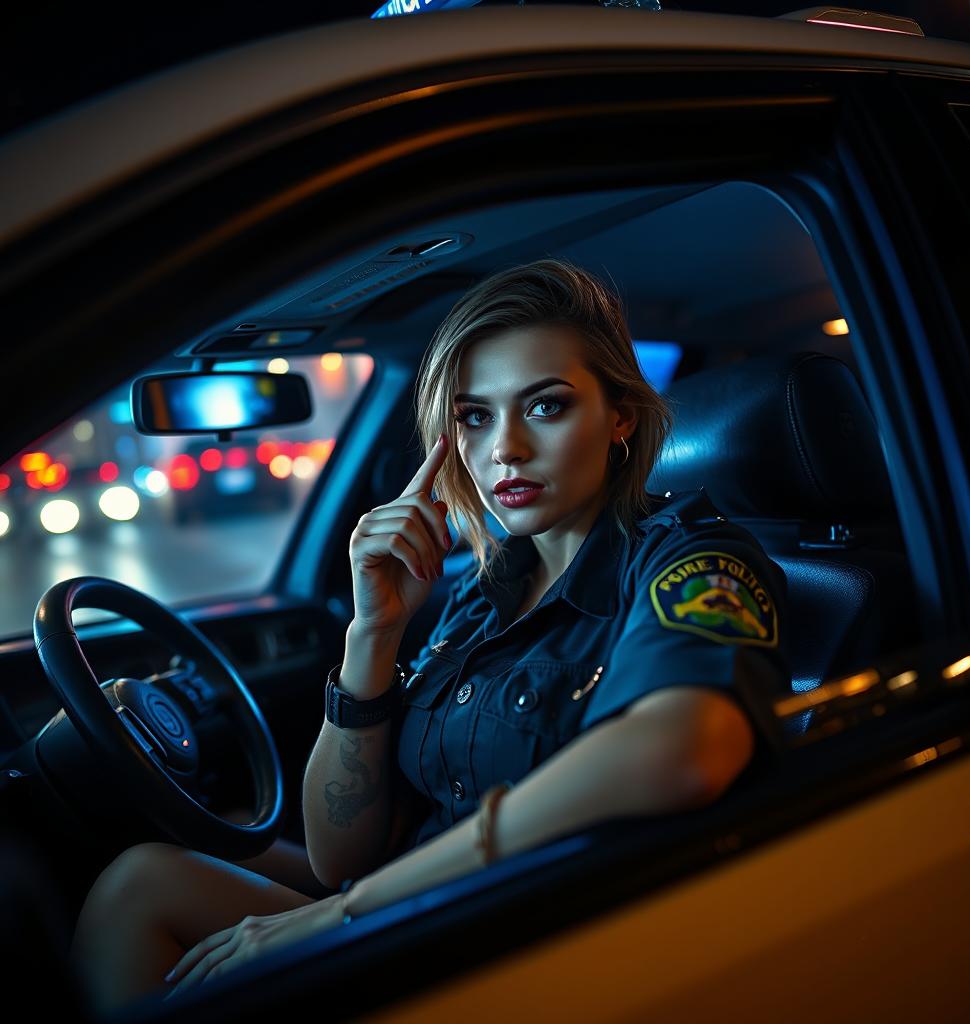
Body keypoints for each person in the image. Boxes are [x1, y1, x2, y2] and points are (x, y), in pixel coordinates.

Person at [68, 258, 789, 1015]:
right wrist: (372, 633)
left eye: (544, 407)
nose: (504, 448)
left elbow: (684, 748)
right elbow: (337, 852)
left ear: (620, 417)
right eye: (475, 416)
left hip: (531, 941)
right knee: (140, 880)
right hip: (410, 914)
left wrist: (348, 913)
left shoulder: (693, 559)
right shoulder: (479, 594)